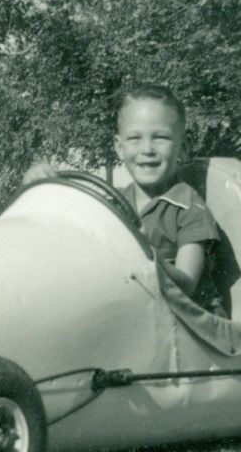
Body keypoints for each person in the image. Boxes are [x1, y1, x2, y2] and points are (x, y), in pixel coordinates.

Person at [24, 83, 225, 315]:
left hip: (194, 326)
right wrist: (44, 186)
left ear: (184, 147)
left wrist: (144, 253)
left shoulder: (189, 207)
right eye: (134, 138)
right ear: (119, 148)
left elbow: (188, 284)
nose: (147, 149)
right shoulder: (113, 202)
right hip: (138, 315)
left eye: (160, 137)